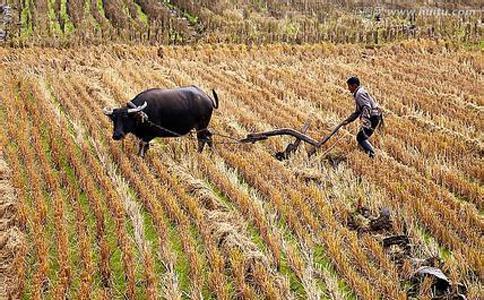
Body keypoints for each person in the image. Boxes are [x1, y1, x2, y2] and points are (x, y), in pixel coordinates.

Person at [342, 77, 383, 158]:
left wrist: (365, 120)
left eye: (349, 86)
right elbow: (357, 112)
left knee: (361, 137)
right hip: (373, 116)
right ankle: (367, 154)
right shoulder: (359, 93)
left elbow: (367, 107)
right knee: (361, 136)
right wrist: (348, 121)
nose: (348, 89)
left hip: (372, 117)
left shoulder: (359, 94)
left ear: (354, 85)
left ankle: (372, 155)